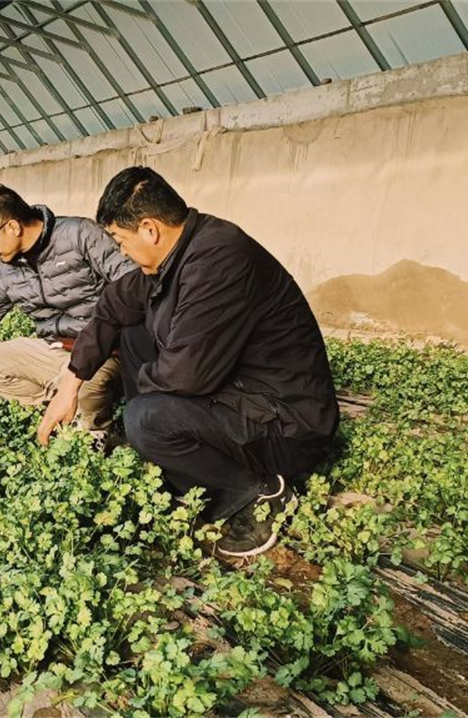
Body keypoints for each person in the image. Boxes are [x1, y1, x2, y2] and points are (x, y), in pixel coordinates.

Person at [37, 167, 339, 558]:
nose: (122, 252)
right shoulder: (174, 256)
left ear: (150, 229)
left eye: (120, 241)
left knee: (146, 418)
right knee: (132, 331)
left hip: (286, 424)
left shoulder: (219, 259)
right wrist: (70, 385)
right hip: (241, 394)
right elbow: (112, 305)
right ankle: (169, 453)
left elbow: (186, 375)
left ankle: (257, 495)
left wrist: (143, 403)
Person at [0, 185, 136, 435]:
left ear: (13, 227)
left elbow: (131, 285)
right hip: (56, 348)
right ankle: (61, 406)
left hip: (103, 349)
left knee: (87, 387)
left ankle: (94, 430)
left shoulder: (79, 235)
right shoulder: (8, 270)